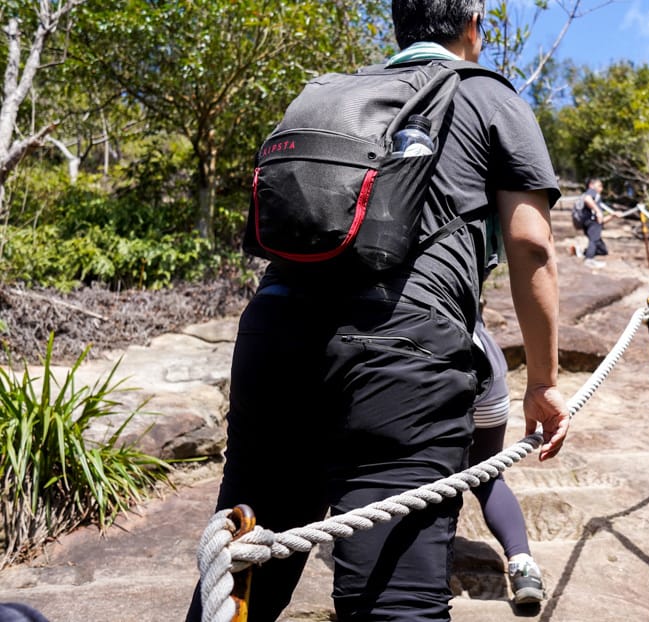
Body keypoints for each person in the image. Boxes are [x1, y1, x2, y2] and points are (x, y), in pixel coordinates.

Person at [184, 2, 571, 621]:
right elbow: (530, 243)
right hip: (401, 357)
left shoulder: (340, 95)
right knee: (394, 601)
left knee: (241, 580)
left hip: (274, 337)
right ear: (474, 25)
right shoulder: (487, 96)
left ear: (399, 28)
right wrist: (544, 383)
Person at [471, 319, 545, 605]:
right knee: (489, 478)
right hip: (486, 366)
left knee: (421, 478)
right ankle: (524, 566)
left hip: (423, 365)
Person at [579, 177, 616, 268]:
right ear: (591, 185)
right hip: (591, 223)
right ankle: (589, 259)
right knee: (593, 240)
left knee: (603, 250)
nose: (601, 188)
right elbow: (587, 199)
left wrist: (613, 215)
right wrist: (598, 211)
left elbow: (601, 221)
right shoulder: (591, 192)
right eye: (599, 185)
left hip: (593, 224)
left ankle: (585, 252)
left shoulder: (596, 197)